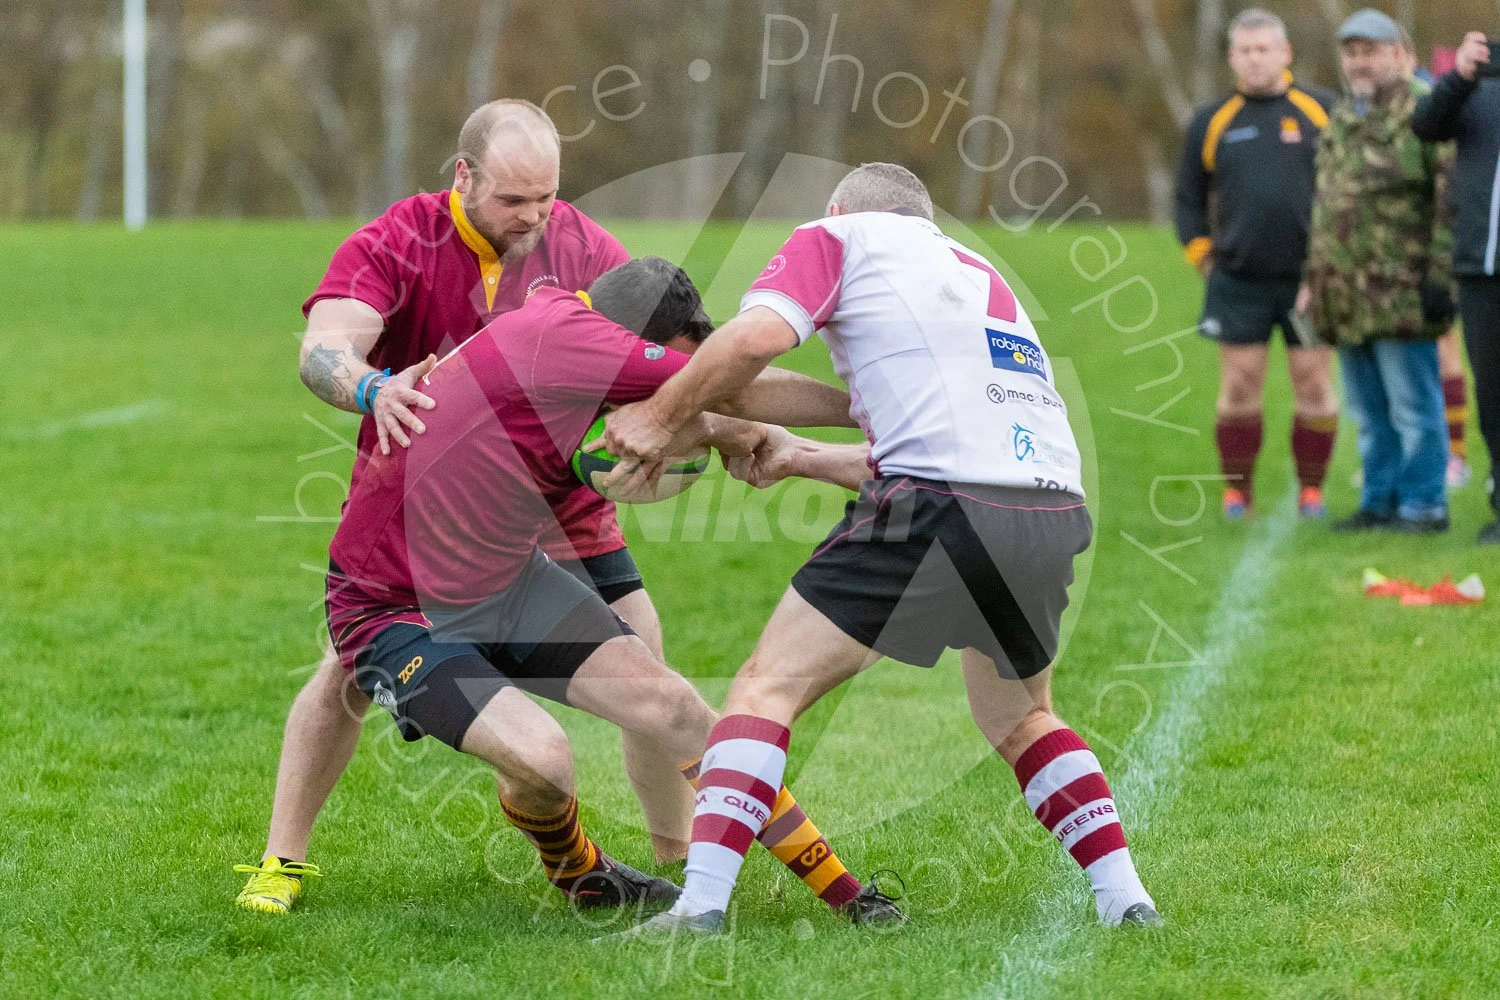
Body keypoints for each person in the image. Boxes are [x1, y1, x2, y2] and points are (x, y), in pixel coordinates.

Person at [235, 99, 856, 913]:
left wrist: (703, 441)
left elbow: (671, 364)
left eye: (547, 197)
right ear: (464, 177)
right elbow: (324, 347)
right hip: (425, 508)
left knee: (649, 661)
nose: (534, 217)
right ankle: (282, 860)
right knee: (347, 673)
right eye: (513, 199)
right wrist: (372, 387)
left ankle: (676, 858)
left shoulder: (581, 248)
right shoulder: (400, 241)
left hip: (551, 505)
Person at [603, 164, 1161, 934]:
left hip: (934, 506)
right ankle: (1125, 896)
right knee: (1021, 716)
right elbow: (922, 432)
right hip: (1049, 510)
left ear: (840, 209)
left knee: (765, 689)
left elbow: (752, 342)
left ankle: (699, 906)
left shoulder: (836, 237)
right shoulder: (973, 272)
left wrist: (660, 414)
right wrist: (794, 452)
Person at [311, 257, 901, 920]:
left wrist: (739, 436)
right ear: (636, 343)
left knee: (677, 710)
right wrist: (883, 411)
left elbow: (708, 415)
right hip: (390, 605)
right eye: (676, 365)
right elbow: (734, 391)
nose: (680, 386)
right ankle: (579, 870)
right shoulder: (575, 340)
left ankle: (848, 896)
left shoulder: (563, 331)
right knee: (543, 760)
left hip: (506, 583)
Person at [1174, 8, 1339, 520]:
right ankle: (1237, 493)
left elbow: (1347, 192)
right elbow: (1187, 199)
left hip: (1309, 281)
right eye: (1245, 50)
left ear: (1285, 52)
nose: (1254, 58)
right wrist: (1202, 255)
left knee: (1313, 383)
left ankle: (1312, 491)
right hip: (1238, 280)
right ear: (1231, 57)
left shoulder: (1322, 109)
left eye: (1264, 49)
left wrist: (1330, 264)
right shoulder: (1212, 120)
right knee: (1240, 385)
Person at [1299, 10, 1455, 534]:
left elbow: (1447, 198)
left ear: (1399, 53)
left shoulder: (1426, 111)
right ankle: (1379, 500)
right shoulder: (1344, 115)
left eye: (1370, 51)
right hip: (1345, 293)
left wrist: (1441, 278)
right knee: (1368, 412)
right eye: (1351, 53)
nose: (1359, 62)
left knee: (1413, 407)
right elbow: (1326, 205)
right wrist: (1313, 279)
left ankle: (1424, 504)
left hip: (1401, 291)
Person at [1413, 31, 1500, 545]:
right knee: (1493, 393)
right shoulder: (1478, 86)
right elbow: (1425, 124)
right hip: (1480, 268)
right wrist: (1459, 77)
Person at [1400, 27, 1474, 491]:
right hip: (1390, 255)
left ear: (1407, 55)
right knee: (1401, 356)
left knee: (1445, 347)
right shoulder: (1369, 109)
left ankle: (1456, 456)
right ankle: (1408, 456)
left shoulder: (1438, 101)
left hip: (1440, 248)